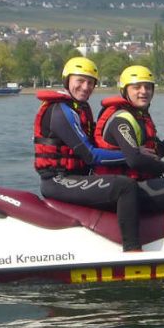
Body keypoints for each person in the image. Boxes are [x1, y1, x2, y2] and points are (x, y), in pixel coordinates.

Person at [33, 56, 143, 252]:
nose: (85, 87)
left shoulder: (79, 109)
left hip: (75, 177)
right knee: (125, 187)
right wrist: (133, 155)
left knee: (124, 180)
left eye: (90, 82)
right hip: (57, 181)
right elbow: (90, 156)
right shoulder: (60, 111)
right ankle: (133, 250)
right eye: (80, 81)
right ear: (67, 81)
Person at [93, 65, 164, 249]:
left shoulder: (139, 116)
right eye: (137, 87)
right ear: (125, 91)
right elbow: (135, 160)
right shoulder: (122, 120)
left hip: (137, 184)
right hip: (125, 192)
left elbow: (156, 151)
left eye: (148, 87)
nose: (143, 91)